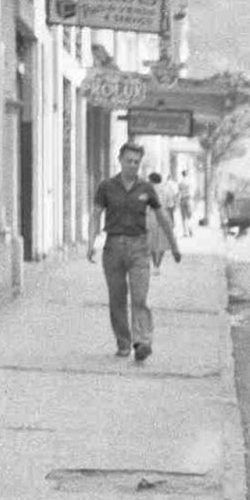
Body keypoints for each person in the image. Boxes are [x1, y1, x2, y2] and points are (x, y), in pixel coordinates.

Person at [90, 142, 164, 362]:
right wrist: (90, 243)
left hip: (139, 247)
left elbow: (161, 218)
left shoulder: (146, 188)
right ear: (120, 160)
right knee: (117, 298)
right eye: (129, 161)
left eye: (136, 162)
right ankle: (123, 342)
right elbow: (95, 215)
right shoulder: (106, 186)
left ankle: (141, 342)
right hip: (113, 248)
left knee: (140, 298)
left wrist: (173, 245)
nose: (133, 165)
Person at [146, 174, 182, 273]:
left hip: (151, 216)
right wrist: (171, 220)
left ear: (151, 180)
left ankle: (154, 264)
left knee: (152, 241)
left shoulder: (148, 190)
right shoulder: (167, 190)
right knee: (162, 241)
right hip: (164, 215)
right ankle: (158, 264)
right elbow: (171, 205)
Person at [176, 174, 194, 238]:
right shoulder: (189, 182)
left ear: (182, 175)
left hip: (182, 201)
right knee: (189, 217)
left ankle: (185, 232)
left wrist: (178, 201)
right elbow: (192, 193)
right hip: (188, 200)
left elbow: (179, 193)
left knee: (183, 218)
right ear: (186, 175)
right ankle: (190, 229)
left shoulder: (180, 183)